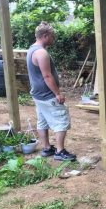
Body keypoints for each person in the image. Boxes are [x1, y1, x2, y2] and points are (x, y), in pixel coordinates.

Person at [26, 21, 76, 161]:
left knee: (42, 120)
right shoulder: (41, 53)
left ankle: (47, 148)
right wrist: (57, 94)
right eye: (52, 37)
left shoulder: (31, 49)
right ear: (45, 35)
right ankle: (60, 151)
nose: (53, 39)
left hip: (38, 94)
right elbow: (47, 76)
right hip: (47, 95)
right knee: (61, 118)